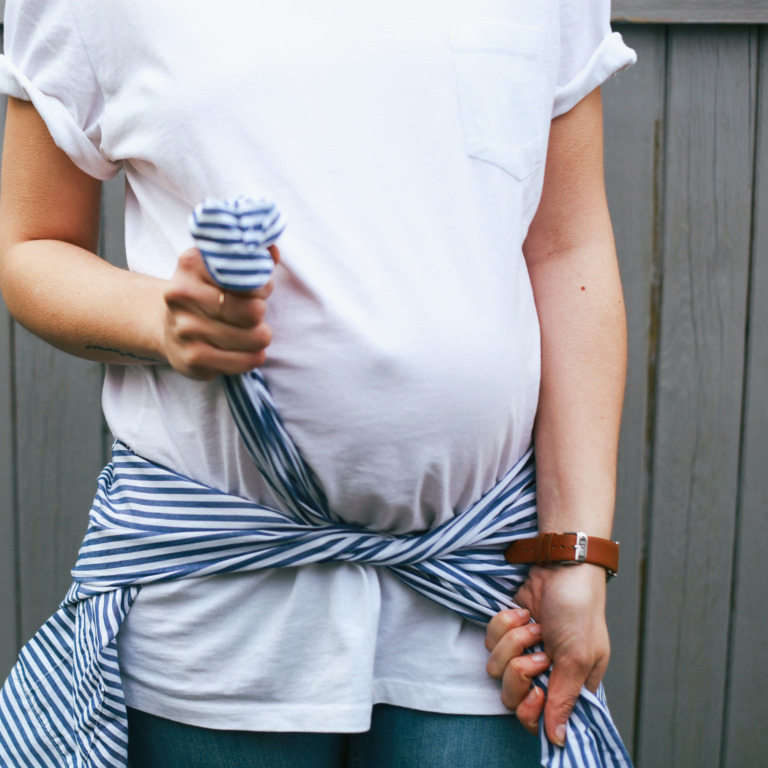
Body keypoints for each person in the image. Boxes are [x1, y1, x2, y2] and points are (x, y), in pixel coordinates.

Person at [0, 1, 635, 766]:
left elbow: (567, 248)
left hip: (478, 606)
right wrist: (162, 320)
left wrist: (575, 554)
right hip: (217, 603)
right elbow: (31, 242)